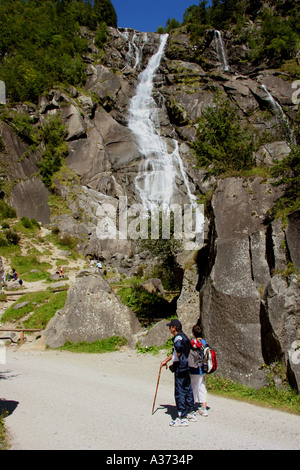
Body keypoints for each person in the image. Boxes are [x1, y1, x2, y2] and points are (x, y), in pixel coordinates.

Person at [161, 319, 196, 427]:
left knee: (180, 390)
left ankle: (182, 417)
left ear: (174, 328)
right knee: (187, 388)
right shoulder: (184, 336)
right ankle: (191, 411)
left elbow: (178, 349)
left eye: (170, 327)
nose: (169, 329)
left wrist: (178, 361)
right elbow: (175, 352)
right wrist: (166, 361)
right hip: (186, 367)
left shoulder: (178, 338)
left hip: (181, 367)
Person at [188, 325, 208, 417]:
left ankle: (191, 408)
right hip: (203, 368)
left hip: (194, 369)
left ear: (193, 333)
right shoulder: (204, 342)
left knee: (194, 387)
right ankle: (204, 408)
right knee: (202, 387)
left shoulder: (192, 342)